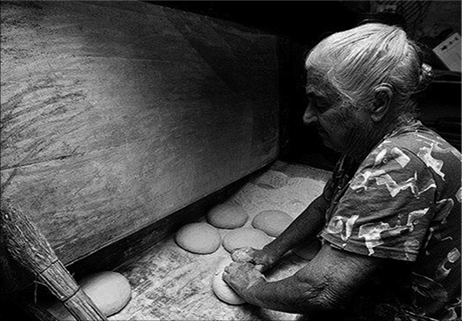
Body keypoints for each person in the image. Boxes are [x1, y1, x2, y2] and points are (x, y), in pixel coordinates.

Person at [222, 22, 461, 321]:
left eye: (321, 103)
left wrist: (251, 288)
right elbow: (325, 204)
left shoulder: (402, 163)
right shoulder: (368, 145)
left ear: (379, 102)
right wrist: (270, 252)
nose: (307, 117)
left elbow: (321, 291)